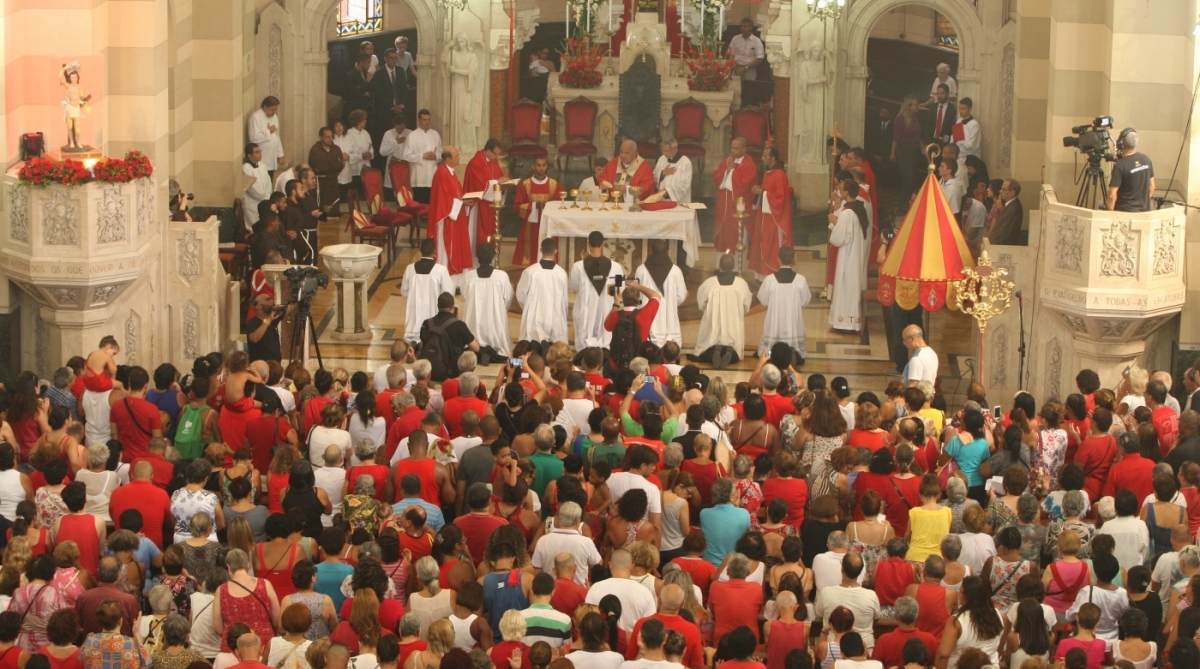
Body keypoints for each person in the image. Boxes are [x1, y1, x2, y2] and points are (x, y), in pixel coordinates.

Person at [691, 253, 751, 370]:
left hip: (713, 324)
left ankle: (715, 350)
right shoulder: (741, 284)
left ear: (719, 265)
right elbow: (746, 306)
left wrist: (709, 312)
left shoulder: (709, 283)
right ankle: (730, 351)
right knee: (735, 353)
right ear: (734, 266)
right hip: (733, 325)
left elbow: (701, 303)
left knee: (707, 345)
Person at [813, 554, 880, 652]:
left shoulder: (826, 593)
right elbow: (877, 617)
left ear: (842, 569)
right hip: (864, 649)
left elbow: (818, 614)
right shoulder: (871, 595)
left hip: (834, 649)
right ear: (860, 571)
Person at [428, 146, 476, 276]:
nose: (459, 157)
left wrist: (464, 200)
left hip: (455, 215)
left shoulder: (451, 172)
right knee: (447, 249)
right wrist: (461, 202)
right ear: (448, 159)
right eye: (457, 156)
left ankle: (456, 279)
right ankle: (444, 276)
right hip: (446, 218)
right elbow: (442, 200)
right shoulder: (441, 174)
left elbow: (456, 194)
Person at [571, 231, 623, 351]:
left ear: (589, 244)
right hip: (607, 306)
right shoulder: (616, 267)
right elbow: (619, 289)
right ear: (603, 244)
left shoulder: (578, 266)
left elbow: (574, 286)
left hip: (586, 306)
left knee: (584, 327)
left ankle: (584, 352)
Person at [934, 576, 1001, 669]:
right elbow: (1000, 645)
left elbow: (943, 655)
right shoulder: (997, 614)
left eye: (961, 591)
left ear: (969, 596)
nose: (958, 594)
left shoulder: (956, 621)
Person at [828, 181, 868, 333]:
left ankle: (843, 324)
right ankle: (850, 322)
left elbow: (839, 239)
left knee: (845, 288)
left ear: (845, 193)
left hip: (847, 256)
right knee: (851, 288)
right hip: (856, 254)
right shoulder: (860, 209)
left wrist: (833, 223)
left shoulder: (846, 213)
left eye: (841, 190)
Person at [757, 246, 811, 361]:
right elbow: (805, 300)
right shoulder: (800, 280)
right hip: (793, 319)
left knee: (770, 348)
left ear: (778, 259)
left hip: (774, 320)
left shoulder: (770, 280)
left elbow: (763, 300)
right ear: (792, 260)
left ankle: (771, 354)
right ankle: (793, 353)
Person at [516, 238, 570, 347]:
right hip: (555, 319)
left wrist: (528, 308)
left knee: (532, 346)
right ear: (556, 251)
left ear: (540, 250)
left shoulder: (530, 271)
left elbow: (520, 295)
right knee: (555, 349)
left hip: (534, 318)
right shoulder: (561, 273)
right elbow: (564, 300)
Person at [511, 157, 564, 266]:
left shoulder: (554, 185)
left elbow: (561, 205)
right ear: (533, 166)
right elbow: (517, 205)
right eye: (538, 165)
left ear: (547, 166)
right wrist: (534, 205)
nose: (541, 168)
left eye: (543, 165)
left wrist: (548, 205)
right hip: (530, 224)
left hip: (548, 222)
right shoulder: (526, 185)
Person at [401, 239, 455, 345]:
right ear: (434, 251)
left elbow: (404, 292)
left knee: (413, 335)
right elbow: (449, 293)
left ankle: (413, 344)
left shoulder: (410, 269)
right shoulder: (441, 270)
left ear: (420, 250)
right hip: (433, 313)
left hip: (414, 314)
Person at [633, 240, 686, 348]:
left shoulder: (641, 270)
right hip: (669, 319)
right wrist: (670, 304)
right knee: (670, 349)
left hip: (649, 316)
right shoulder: (676, 271)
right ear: (667, 251)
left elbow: (637, 293)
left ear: (651, 251)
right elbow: (681, 295)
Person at [749, 148, 793, 277]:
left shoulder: (779, 174)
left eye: (765, 156)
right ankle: (761, 274)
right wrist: (759, 190)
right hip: (765, 214)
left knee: (771, 245)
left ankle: (771, 273)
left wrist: (762, 193)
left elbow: (780, 197)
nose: (762, 158)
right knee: (762, 243)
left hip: (775, 217)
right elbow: (767, 190)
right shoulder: (768, 172)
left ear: (773, 158)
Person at [418, 293, 480, 383]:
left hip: (428, 371)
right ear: (453, 307)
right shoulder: (459, 325)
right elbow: (476, 348)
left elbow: (423, 344)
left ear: (437, 306)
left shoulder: (426, 323)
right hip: (451, 374)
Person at [711, 138, 758, 252]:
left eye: (737, 148)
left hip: (737, 205)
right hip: (724, 204)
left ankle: (737, 266)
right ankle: (723, 265)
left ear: (744, 149)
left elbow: (746, 184)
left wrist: (732, 171)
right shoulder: (729, 161)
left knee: (736, 233)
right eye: (732, 148)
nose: (733, 151)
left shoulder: (749, 164)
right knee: (724, 233)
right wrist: (727, 171)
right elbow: (716, 175)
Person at [78, 601, 150, 669]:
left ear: (100, 622)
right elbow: (147, 662)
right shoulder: (129, 643)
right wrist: (136, 633)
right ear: (120, 621)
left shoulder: (90, 640)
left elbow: (81, 658)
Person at [1108, 128, 1155, 212]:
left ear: (1121, 143)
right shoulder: (1146, 159)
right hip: (1143, 212)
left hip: (1124, 213)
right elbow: (1152, 187)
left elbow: (1112, 195)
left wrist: (1110, 213)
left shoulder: (1120, 165)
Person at [598, 140, 655, 206]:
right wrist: (604, 184)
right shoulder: (613, 163)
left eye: (626, 153)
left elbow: (647, 188)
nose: (623, 155)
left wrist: (627, 189)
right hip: (612, 204)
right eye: (621, 152)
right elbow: (602, 177)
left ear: (634, 153)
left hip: (632, 206)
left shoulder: (644, 167)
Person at [403, 110, 443, 204]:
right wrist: (422, 156)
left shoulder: (435, 134)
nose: (427, 122)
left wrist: (436, 156)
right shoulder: (412, 136)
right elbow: (406, 155)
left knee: (433, 203)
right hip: (419, 177)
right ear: (419, 120)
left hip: (433, 175)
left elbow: (441, 153)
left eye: (428, 119)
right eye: (424, 120)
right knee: (419, 204)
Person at [308, 127, 347, 210]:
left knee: (334, 207)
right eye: (327, 137)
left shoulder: (336, 149)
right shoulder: (315, 150)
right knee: (322, 208)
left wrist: (332, 166)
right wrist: (335, 165)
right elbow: (321, 168)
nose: (330, 139)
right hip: (321, 182)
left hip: (333, 182)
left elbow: (341, 165)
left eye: (331, 136)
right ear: (321, 137)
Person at [242, 143, 272, 232]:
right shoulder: (245, 168)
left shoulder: (262, 166)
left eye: (260, 151)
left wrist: (268, 195)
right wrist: (265, 198)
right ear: (249, 155)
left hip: (264, 201)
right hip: (252, 204)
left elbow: (268, 182)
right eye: (257, 152)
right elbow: (252, 188)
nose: (260, 153)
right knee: (254, 229)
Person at [987, 180, 1024, 246]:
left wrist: (991, 245)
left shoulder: (1013, 209)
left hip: (1002, 247)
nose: (1000, 191)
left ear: (1012, 192)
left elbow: (1003, 233)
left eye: (1003, 189)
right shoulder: (1010, 206)